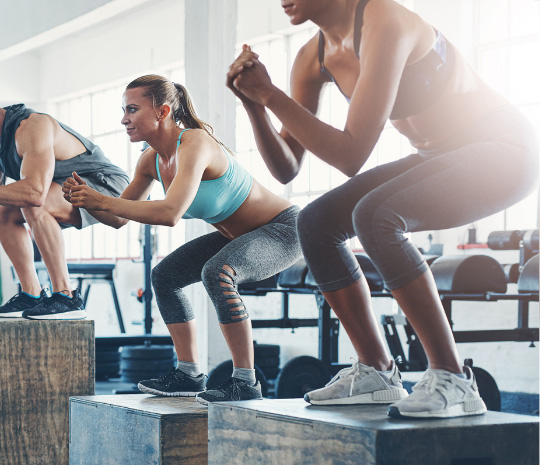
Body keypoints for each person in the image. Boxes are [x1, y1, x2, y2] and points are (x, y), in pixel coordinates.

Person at [226, 0, 538, 418]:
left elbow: (352, 152)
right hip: (439, 155)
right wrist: (254, 105)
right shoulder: (311, 57)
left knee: (376, 215)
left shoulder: (384, 19)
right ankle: (377, 370)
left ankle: (456, 378)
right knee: (316, 222)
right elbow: (287, 166)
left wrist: (269, 93)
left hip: (504, 150)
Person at [64, 74, 302, 404]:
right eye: (123, 110)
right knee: (165, 276)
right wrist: (83, 200)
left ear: (162, 112)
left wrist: (101, 199)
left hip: (283, 229)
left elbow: (170, 213)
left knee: (217, 272)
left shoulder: (195, 143)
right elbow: (119, 218)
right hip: (238, 235)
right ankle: (189, 373)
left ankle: (246, 381)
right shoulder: (150, 161)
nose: (123, 119)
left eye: (132, 109)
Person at [0, 83, 130, 320]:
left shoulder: (31, 127)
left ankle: (66, 297)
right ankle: (31, 293)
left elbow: (34, 193)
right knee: (1, 210)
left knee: (31, 200)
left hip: (108, 187)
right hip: (67, 190)